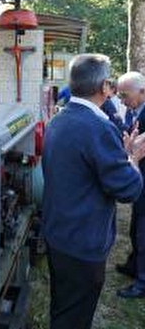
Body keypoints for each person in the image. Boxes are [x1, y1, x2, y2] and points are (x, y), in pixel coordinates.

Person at [42, 54, 145, 329]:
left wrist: (118, 154)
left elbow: (83, 168)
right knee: (74, 317)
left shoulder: (58, 121)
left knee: (62, 307)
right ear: (103, 87)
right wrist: (133, 158)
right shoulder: (98, 127)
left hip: (57, 235)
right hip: (82, 244)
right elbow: (129, 189)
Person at [115, 71, 145, 298]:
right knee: (136, 226)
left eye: (126, 95)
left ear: (142, 92)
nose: (123, 100)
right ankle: (134, 264)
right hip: (140, 179)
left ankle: (142, 282)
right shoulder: (135, 110)